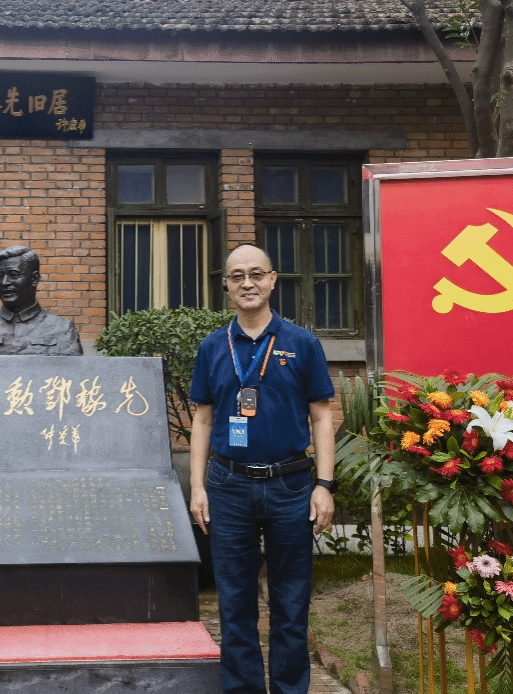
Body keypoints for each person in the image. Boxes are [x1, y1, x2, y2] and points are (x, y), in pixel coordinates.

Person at [189, 244, 336, 694]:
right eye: (237, 276)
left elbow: (321, 417)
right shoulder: (213, 346)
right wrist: (197, 486)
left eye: (256, 274)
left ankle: (290, 688)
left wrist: (324, 485)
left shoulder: (302, 343)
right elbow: (202, 419)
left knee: (291, 602)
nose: (247, 283)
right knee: (234, 605)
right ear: (226, 286)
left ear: (273, 280)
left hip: (290, 485)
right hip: (228, 485)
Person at [0, 245, 83, 355]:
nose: (4, 282)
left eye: (13, 275)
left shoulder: (62, 330)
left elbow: (73, 373)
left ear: (34, 279)